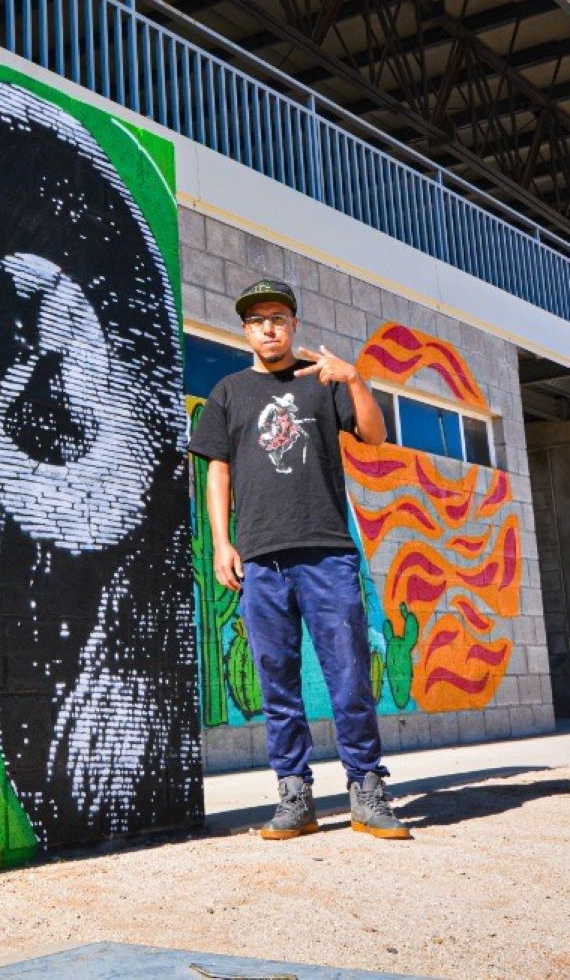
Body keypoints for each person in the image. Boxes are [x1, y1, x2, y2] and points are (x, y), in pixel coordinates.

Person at [187, 277, 409, 840]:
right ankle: (294, 796)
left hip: (327, 552)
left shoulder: (321, 383)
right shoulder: (229, 393)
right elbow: (218, 469)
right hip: (261, 558)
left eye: (278, 318)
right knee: (276, 680)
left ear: (293, 326)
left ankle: (366, 789)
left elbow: (375, 435)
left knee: (350, 675)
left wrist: (355, 378)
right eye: (257, 319)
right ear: (246, 330)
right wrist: (221, 541)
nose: (268, 327)